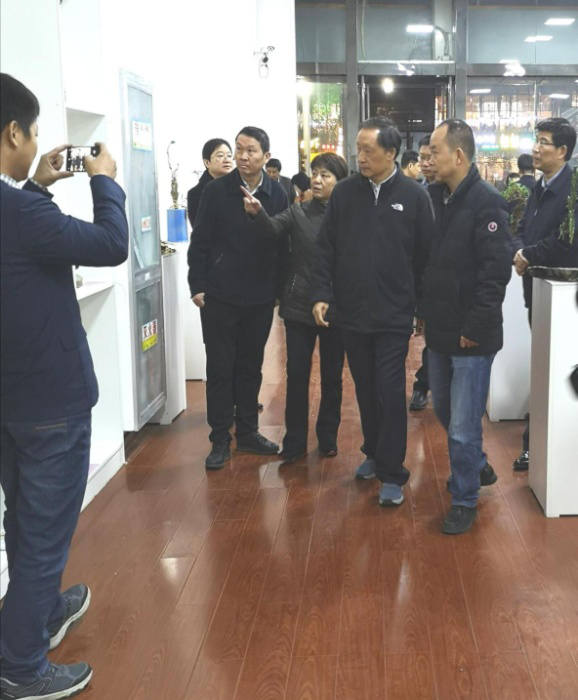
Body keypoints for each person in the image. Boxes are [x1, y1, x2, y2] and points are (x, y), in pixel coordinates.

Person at [0, 74, 128, 699]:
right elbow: (111, 244)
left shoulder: (20, 204)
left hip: (10, 398)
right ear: (13, 133)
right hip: (50, 399)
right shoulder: (23, 212)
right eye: (34, 133)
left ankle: (43, 612)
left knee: (23, 516)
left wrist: (36, 184)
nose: (37, 144)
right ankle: (20, 667)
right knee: (44, 533)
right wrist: (104, 180)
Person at [311, 117, 433, 506]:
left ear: (391, 153)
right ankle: (374, 452)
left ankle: (393, 472)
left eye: (369, 151)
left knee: (390, 389)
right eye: (358, 150)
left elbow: (425, 257)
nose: (360, 157)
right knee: (364, 387)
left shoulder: (414, 196)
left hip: (394, 313)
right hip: (351, 311)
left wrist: (421, 306)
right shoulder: (345, 194)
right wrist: (322, 293)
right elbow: (325, 247)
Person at [425, 119, 511, 534]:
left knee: (462, 425)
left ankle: (464, 498)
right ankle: (476, 464)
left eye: (435, 151)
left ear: (458, 155)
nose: (429, 159)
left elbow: (495, 274)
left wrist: (474, 327)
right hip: (440, 328)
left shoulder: (488, 203)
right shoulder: (435, 198)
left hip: (471, 334)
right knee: (444, 409)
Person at [188, 126, 288, 469]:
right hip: (219, 296)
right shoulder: (216, 191)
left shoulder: (277, 193)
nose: (243, 157)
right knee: (220, 369)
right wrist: (197, 285)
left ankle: (247, 433)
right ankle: (219, 440)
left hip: (259, 297)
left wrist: (278, 291)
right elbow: (200, 241)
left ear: (266, 156)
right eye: (238, 149)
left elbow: (283, 245)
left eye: (251, 150)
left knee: (249, 367)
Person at [242, 152, 348, 462]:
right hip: (299, 305)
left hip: (336, 307)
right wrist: (258, 213)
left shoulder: (349, 216)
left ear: (340, 181)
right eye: (315, 173)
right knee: (297, 377)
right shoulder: (298, 211)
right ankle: (294, 442)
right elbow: (272, 229)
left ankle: (328, 437)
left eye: (325, 175)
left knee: (332, 377)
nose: (317, 180)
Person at [511, 117, 578, 471]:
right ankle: (536, 443)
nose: (536, 148)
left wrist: (529, 254)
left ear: (563, 151)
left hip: (564, 297)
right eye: (535, 140)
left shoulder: (573, 190)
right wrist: (520, 250)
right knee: (542, 368)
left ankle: (538, 446)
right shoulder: (539, 186)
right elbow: (522, 228)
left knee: (556, 372)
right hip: (537, 291)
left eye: (544, 142)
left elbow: (567, 241)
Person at [409, 134, 436, 411]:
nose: (426, 163)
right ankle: (422, 385)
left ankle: (427, 383)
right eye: (422, 157)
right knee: (431, 340)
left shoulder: (452, 195)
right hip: (423, 283)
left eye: (431, 157)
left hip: (448, 285)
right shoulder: (417, 194)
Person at [186, 138, 233, 228]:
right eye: (220, 156)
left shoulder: (240, 188)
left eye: (229, 155)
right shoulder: (196, 193)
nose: (227, 160)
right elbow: (200, 231)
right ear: (207, 163)